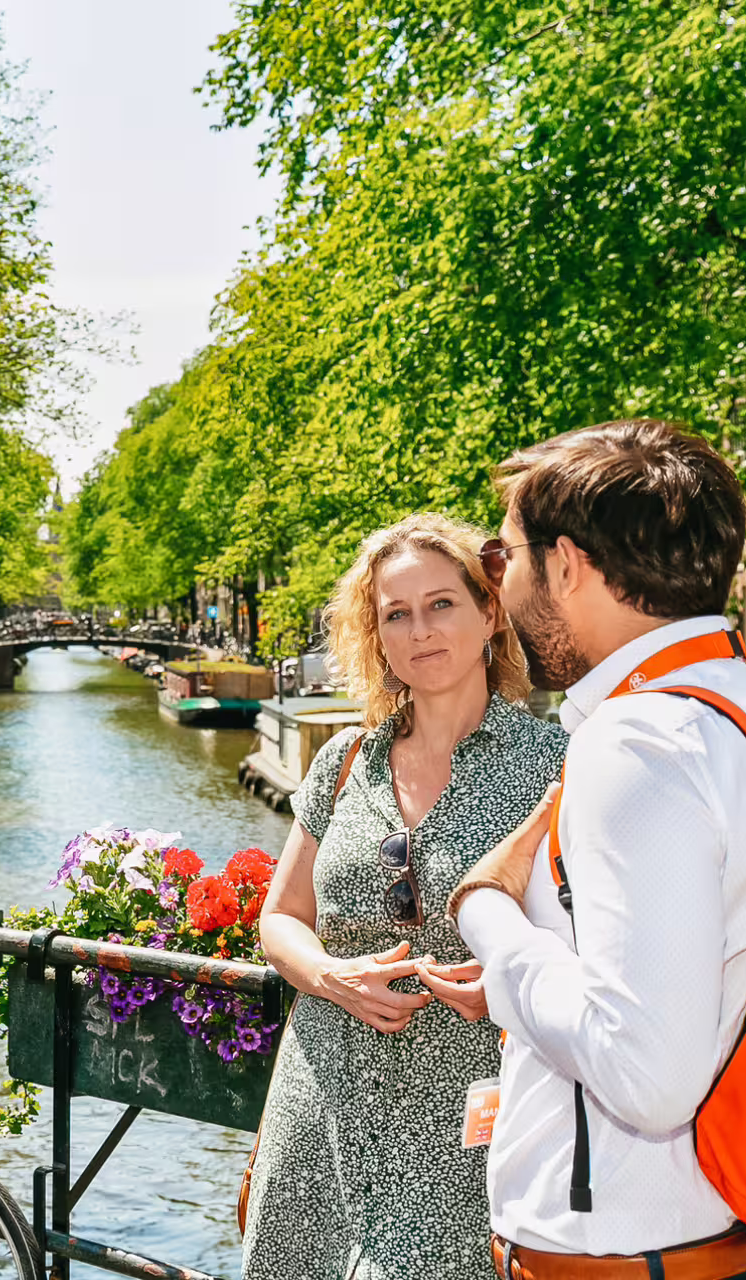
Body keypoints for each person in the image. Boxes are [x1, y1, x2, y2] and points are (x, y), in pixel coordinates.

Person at [456, 420, 746, 1278]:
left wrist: (491, 921)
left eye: (502, 556)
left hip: (626, 1253)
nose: (501, 587)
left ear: (567, 565)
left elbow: (644, 1074)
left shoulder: (640, 743)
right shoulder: (736, 713)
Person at [243, 513, 567, 1279]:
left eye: (442, 604)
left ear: (490, 612)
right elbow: (281, 917)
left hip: (464, 1120)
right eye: (397, 614)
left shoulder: (558, 766)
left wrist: (509, 988)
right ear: (377, 637)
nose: (421, 630)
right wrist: (331, 977)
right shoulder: (344, 759)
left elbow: (603, 950)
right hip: (321, 1100)